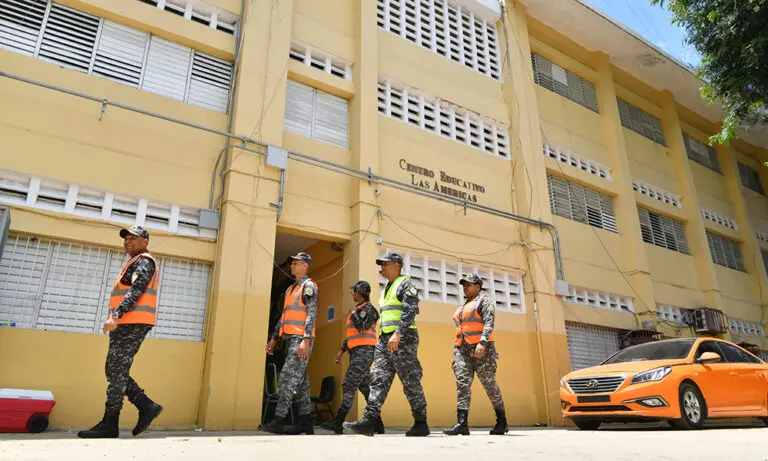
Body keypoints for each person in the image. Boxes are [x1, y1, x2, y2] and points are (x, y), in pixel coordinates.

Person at [78, 225, 163, 438]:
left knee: (115, 369)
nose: (128, 241)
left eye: (133, 238)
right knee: (114, 369)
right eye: (126, 239)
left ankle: (111, 421)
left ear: (145, 241)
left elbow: (137, 289)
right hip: (128, 323)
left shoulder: (144, 261)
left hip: (132, 323)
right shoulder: (133, 263)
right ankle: (145, 406)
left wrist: (116, 315)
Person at [344, 252, 429, 437]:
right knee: (378, 379)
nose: (381, 267)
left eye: (385, 263)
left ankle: (421, 422)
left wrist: (398, 334)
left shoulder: (406, 284)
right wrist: (385, 337)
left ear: (397, 265)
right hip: (385, 340)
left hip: (403, 339)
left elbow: (410, 311)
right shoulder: (386, 288)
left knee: (410, 381)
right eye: (381, 264)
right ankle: (369, 420)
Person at [259, 252, 318, 435]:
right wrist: (274, 338)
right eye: (292, 263)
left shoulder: (309, 286)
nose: (292, 265)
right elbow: (284, 316)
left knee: (286, 378)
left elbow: (311, 313)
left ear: (305, 266)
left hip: (300, 339)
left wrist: (305, 339)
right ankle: (306, 423)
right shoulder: (290, 289)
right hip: (290, 339)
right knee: (301, 383)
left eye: (296, 263)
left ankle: (279, 420)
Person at [443, 273, 508, 436]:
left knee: (490, 386)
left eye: (468, 284)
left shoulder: (484, 302)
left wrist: (483, 342)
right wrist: (454, 355)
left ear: (477, 287)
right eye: (464, 285)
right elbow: (460, 333)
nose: (465, 287)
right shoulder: (462, 308)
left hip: (482, 352)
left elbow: (489, 323)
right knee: (462, 385)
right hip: (463, 352)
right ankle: (462, 423)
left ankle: (502, 422)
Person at [320, 281, 385, 434]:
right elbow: (352, 335)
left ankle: (338, 421)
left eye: (354, 291)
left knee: (349, 383)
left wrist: (354, 312)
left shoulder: (369, 310)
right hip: (356, 352)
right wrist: (341, 351)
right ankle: (378, 424)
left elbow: (362, 327)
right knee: (365, 387)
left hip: (365, 352)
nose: (352, 294)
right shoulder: (358, 309)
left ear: (360, 292)